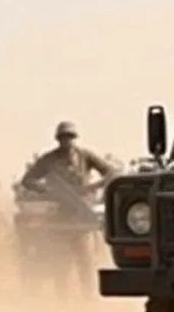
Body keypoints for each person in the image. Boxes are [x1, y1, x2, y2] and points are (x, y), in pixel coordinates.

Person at [18, 122, 117, 295]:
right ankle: (62, 298)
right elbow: (27, 180)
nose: (67, 140)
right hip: (60, 216)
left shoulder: (85, 156)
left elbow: (111, 172)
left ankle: (88, 297)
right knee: (61, 263)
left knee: (86, 260)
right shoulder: (48, 160)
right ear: (58, 139)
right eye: (63, 137)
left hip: (82, 215)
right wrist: (48, 190)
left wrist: (93, 187)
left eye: (70, 137)